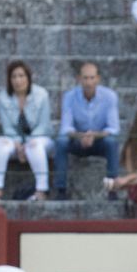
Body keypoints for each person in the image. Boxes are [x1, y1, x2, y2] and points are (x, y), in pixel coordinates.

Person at [53, 62, 121, 201]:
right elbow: (66, 128)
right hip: (78, 140)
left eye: (91, 78)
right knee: (61, 142)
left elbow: (113, 128)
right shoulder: (69, 97)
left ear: (98, 79)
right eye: (85, 78)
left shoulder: (109, 96)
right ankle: (61, 190)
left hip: (99, 140)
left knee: (112, 142)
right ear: (79, 79)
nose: (88, 82)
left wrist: (93, 135)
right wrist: (81, 136)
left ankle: (113, 189)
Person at [0, 61, 54, 201]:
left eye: (21, 76)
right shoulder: (3, 97)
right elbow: (7, 128)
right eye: (14, 77)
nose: (18, 80)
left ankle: (42, 190)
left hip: (41, 137)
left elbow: (43, 126)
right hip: (15, 139)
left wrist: (27, 143)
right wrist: (18, 144)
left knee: (34, 146)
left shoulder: (41, 94)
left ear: (28, 77)